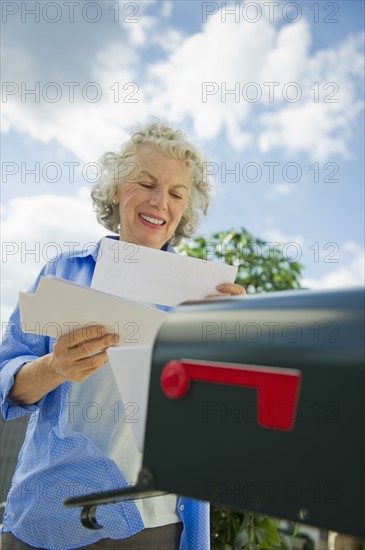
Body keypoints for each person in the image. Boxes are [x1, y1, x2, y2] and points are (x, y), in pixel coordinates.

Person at [0, 123, 245, 550]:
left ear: (185, 210)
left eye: (175, 193)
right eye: (145, 183)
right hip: (47, 515)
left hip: (154, 523)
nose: (159, 202)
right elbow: (6, 383)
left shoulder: (205, 298)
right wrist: (54, 367)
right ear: (116, 191)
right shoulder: (65, 272)